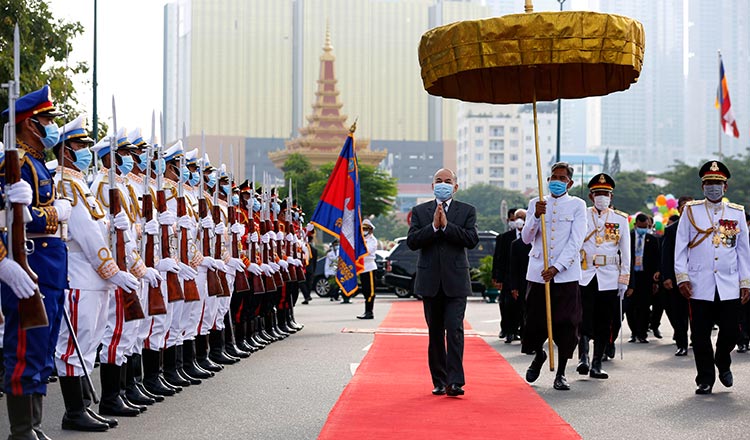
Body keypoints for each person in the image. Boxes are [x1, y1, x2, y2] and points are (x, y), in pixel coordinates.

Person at [1, 85, 73, 439]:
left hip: (49, 267)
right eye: (47, 120)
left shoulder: (39, 164)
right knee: (24, 347)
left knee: (42, 349)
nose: (51, 126)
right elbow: (11, 218)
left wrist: (49, 212)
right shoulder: (13, 164)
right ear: (31, 123)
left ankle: (34, 424)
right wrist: (51, 213)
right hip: (28, 265)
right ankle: (20, 428)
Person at [675, 160, 750, 395]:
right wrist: (682, 277)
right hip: (699, 284)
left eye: (718, 183)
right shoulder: (691, 211)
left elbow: (743, 251)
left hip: (728, 283)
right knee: (699, 334)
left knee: (732, 332)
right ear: (702, 186)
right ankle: (705, 378)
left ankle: (722, 360)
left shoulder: (736, 213)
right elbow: (681, 247)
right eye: (709, 183)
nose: (713, 187)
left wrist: (745, 282)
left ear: (725, 187)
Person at [407, 168, 478, 397]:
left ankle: (455, 381)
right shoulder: (420, 211)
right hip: (430, 281)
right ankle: (439, 380)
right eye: (439, 181)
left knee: (455, 330)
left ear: (455, 187)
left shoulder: (467, 211)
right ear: (432, 185)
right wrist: (434, 227)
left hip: (456, 281)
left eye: (448, 181)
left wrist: (447, 226)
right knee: (435, 332)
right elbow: (413, 241)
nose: (443, 184)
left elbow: (471, 240)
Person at [521, 162, 586, 391]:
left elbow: (576, 241)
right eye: (553, 177)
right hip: (538, 272)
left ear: (570, 182)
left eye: (561, 178)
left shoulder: (577, 205)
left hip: (565, 275)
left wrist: (557, 267)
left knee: (567, 324)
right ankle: (539, 355)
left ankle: (560, 373)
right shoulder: (536, 203)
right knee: (533, 322)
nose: (556, 181)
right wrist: (535, 216)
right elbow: (526, 238)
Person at [577, 173, 630, 380]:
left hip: (609, 276)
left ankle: (597, 363)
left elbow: (625, 252)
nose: (602, 197)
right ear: (591, 196)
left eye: (605, 193)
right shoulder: (582, 215)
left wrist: (624, 279)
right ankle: (583, 357)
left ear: (611, 196)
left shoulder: (620, 219)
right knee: (583, 318)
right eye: (598, 193)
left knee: (604, 321)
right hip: (585, 274)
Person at [660, 196, 693, 356]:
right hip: (677, 279)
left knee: (698, 313)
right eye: (683, 207)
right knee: (679, 314)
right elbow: (666, 255)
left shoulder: (702, 228)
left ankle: (697, 340)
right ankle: (682, 344)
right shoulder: (672, 230)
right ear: (678, 209)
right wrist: (666, 276)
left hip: (699, 278)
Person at [625, 214, 660, 343]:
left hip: (646, 277)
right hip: (632, 276)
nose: (643, 229)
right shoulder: (629, 237)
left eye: (645, 227)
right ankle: (633, 332)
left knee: (644, 307)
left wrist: (657, 273)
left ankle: (642, 333)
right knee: (630, 307)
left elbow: (657, 258)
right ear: (635, 225)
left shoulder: (652, 239)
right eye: (641, 227)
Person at [492, 208, 516, 339]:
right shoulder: (503, 238)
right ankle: (506, 329)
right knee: (506, 303)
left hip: (522, 275)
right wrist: (496, 277)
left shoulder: (529, 236)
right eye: (513, 220)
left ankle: (517, 330)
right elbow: (498, 258)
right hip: (507, 276)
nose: (517, 222)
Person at [357, 219, 378, 319]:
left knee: (370, 291)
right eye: (362, 229)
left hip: (369, 266)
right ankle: (367, 311)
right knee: (365, 290)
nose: (364, 230)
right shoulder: (361, 240)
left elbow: (367, 251)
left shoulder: (372, 240)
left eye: (366, 229)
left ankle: (370, 311)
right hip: (362, 267)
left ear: (370, 230)